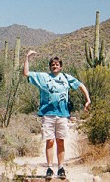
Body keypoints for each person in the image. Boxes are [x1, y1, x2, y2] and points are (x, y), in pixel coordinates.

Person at [22, 50, 91, 179]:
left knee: (60, 140)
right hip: (48, 114)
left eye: (57, 64)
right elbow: (26, 73)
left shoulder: (66, 77)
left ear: (61, 66)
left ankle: (60, 167)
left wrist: (88, 99)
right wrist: (27, 58)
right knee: (50, 141)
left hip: (63, 115)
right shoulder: (43, 77)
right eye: (53, 64)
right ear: (50, 67)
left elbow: (80, 85)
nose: (55, 66)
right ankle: (49, 168)